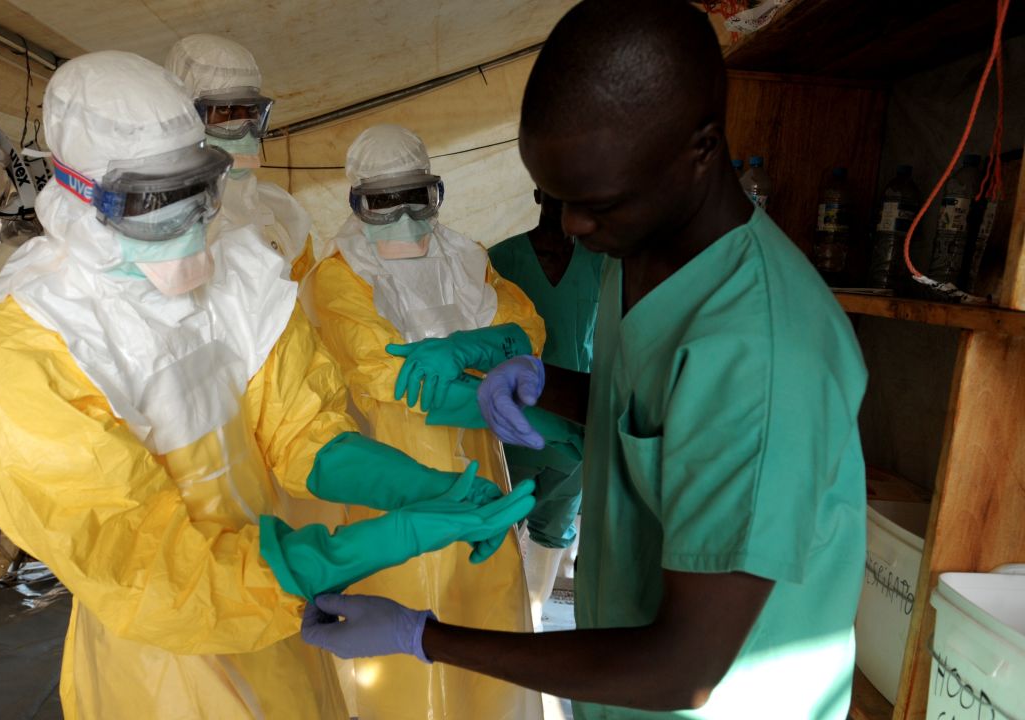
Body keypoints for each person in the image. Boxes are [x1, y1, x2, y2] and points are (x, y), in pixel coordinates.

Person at [301, 3, 868, 719]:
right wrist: (549, 384)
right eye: (555, 197)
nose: (571, 226)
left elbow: (680, 671)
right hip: (617, 680)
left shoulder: (765, 357)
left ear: (701, 149)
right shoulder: (640, 249)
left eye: (593, 202)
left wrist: (425, 637)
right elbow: (664, 412)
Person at [0, 51, 535, 720]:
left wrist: (429, 489)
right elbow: (149, 573)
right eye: (157, 205)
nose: (195, 226)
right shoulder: (28, 356)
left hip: (276, 614)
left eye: (199, 192)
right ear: (80, 194)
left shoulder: (236, 275)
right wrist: (364, 546)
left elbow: (305, 434)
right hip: (162, 656)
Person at [304, 123, 548, 720]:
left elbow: (528, 331)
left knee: (484, 611)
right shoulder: (337, 278)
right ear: (356, 202)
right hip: (391, 475)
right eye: (383, 202)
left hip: (480, 459)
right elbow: (386, 377)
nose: (405, 217)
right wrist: (495, 381)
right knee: (402, 628)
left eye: (418, 196)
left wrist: (499, 352)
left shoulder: (466, 258)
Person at [487, 189, 602, 621]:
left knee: (554, 532)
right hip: (512, 428)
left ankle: (532, 621)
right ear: (536, 193)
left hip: (574, 429)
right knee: (495, 526)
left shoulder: (602, 265)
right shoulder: (499, 262)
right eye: (554, 189)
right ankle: (497, 622)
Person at [166, 34, 317, 281]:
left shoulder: (281, 211)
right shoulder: (167, 222)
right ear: (186, 118)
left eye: (251, 112)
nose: (244, 128)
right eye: (224, 112)